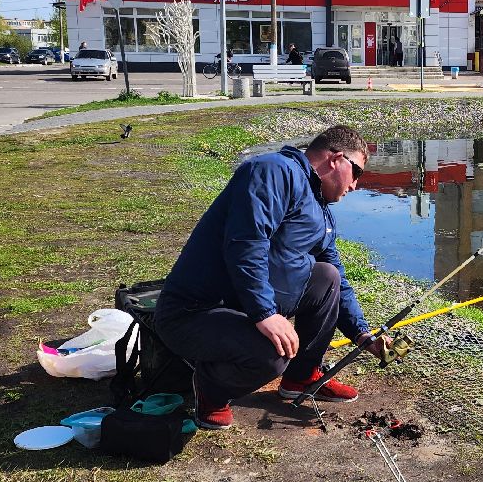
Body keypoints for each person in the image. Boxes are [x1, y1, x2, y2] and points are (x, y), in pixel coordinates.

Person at [154, 125, 387, 429]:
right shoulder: (272, 171)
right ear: (336, 159)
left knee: (326, 276)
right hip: (195, 312)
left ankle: (301, 378)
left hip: (243, 308)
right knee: (272, 354)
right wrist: (265, 313)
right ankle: (210, 390)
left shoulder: (320, 206)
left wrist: (362, 334)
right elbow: (246, 244)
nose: (356, 185)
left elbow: (338, 278)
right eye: (357, 173)